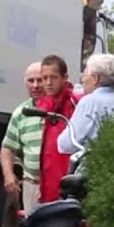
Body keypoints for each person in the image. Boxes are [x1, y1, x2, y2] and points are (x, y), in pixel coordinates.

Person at [58, 52, 114, 154]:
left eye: (85, 72)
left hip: (95, 165)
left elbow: (67, 144)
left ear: (95, 78)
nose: (82, 78)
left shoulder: (89, 102)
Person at [0, 62, 46, 214]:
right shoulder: (21, 113)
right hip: (32, 185)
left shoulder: (59, 111)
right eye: (31, 81)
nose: (35, 85)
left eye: (40, 80)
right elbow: (8, 147)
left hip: (56, 184)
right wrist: (8, 175)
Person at [35, 55, 78, 203]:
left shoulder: (74, 104)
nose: (48, 83)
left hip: (66, 183)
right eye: (44, 78)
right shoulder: (41, 107)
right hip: (45, 184)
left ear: (64, 77)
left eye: (53, 77)